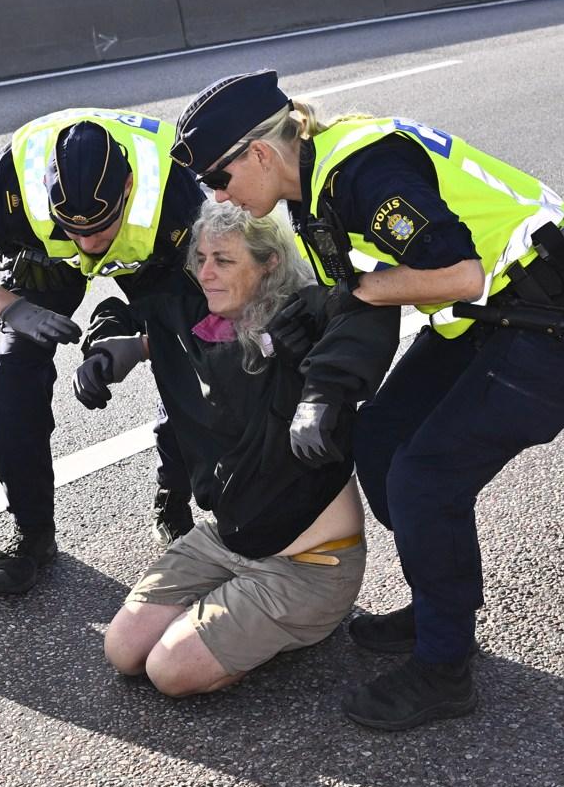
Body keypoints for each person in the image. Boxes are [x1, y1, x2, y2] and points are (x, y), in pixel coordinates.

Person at [170, 70, 564, 729]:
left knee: (424, 478)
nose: (220, 196)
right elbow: (354, 300)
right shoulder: (310, 188)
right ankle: (439, 601)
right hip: (492, 315)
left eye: (220, 178)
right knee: (380, 441)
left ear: (260, 154)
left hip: (554, 321)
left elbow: (456, 272)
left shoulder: (362, 173)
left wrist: (362, 293)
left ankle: (445, 668)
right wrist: (316, 359)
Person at [77, 200, 399, 695]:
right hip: (228, 537)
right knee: (122, 650)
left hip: (308, 566)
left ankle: (283, 627)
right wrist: (113, 343)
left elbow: (361, 314)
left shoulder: (304, 318)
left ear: (268, 263)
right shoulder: (208, 319)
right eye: (200, 258)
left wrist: (321, 389)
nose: (205, 273)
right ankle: (225, 618)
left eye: (223, 260)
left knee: (169, 672)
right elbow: (142, 305)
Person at [0, 109, 206, 596]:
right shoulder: (9, 184)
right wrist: (12, 309)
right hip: (45, 256)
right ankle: (32, 535)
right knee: (12, 382)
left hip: (154, 253)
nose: (90, 244)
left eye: (100, 227)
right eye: (75, 227)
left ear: (130, 186)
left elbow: (220, 315)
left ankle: (173, 500)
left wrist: (139, 345)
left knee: (185, 364)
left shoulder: (179, 192)